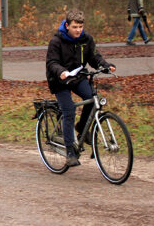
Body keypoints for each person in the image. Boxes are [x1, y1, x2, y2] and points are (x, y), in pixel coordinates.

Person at [46, 9, 116, 167]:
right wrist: (61, 71)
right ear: (67, 26)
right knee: (69, 110)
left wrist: (105, 65)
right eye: (75, 27)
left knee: (92, 99)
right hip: (59, 80)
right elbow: (52, 62)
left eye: (80, 27)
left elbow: (94, 57)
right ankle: (70, 152)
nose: (78, 30)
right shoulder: (56, 41)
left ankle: (82, 127)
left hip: (77, 77)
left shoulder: (86, 39)